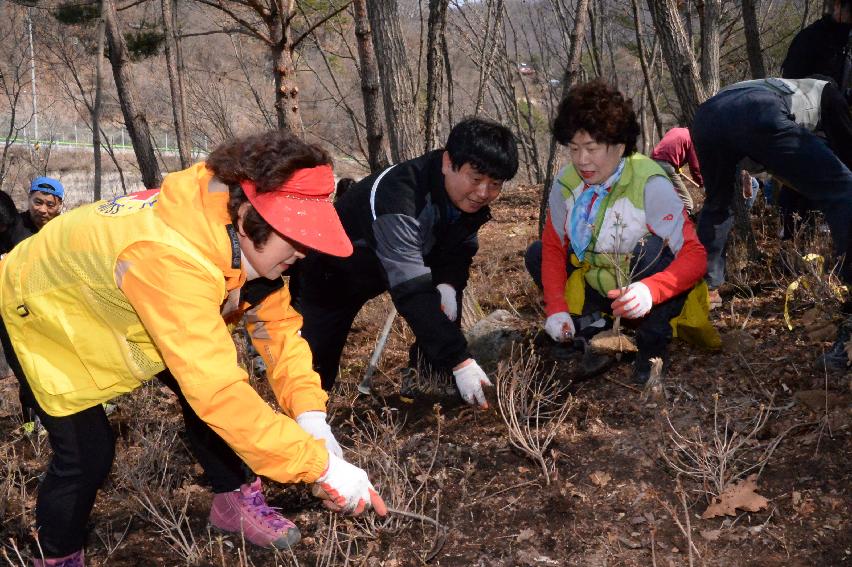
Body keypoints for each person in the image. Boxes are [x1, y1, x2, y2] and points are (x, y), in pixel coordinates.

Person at [0, 130, 387, 567]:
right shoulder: (172, 256)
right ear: (247, 217)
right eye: (294, 236)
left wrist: (311, 416)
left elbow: (278, 329)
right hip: (41, 307)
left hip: (125, 302)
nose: (303, 252)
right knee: (88, 452)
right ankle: (56, 555)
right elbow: (217, 392)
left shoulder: (237, 228)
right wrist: (320, 467)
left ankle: (232, 501)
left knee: (204, 387)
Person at [293, 118, 518, 406]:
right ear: (448, 162)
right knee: (314, 366)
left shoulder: (463, 199)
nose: (483, 193)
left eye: (495, 184)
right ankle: (304, 420)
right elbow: (410, 290)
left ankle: (433, 386)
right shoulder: (399, 198)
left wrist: (448, 284)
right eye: (475, 179)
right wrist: (460, 360)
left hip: (399, 266)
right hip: (332, 275)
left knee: (444, 309)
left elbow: (458, 247)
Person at [524, 80, 708, 383]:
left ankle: (651, 343)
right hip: (599, 282)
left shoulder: (650, 182)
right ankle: (593, 325)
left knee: (651, 249)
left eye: (592, 148)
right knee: (538, 254)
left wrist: (652, 290)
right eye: (574, 148)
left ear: (619, 145)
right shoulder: (566, 183)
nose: (582, 160)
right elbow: (555, 246)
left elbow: (694, 255)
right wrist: (556, 307)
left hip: (645, 286)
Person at [691, 77, 852, 370]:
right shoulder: (831, 95)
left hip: (706, 117)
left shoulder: (771, 87)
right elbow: (845, 162)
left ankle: (705, 288)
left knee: (717, 204)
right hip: (756, 111)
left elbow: (783, 166)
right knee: (844, 190)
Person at [650, 127, 703, 213]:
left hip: (652, 163)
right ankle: (686, 223)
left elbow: (670, 148)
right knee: (687, 202)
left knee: (666, 199)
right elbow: (695, 167)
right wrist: (701, 184)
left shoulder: (675, 130)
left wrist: (676, 167)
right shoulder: (692, 137)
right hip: (666, 165)